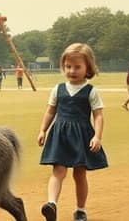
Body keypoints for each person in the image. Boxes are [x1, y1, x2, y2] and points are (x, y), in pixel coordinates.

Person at [37, 43, 107, 221]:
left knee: (79, 174)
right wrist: (42, 130)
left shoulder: (91, 91)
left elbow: (98, 116)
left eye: (77, 67)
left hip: (81, 137)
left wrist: (97, 136)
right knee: (58, 171)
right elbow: (50, 111)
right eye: (68, 66)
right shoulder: (57, 89)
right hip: (60, 135)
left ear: (88, 67)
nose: (72, 71)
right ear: (63, 66)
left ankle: (80, 210)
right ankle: (51, 204)